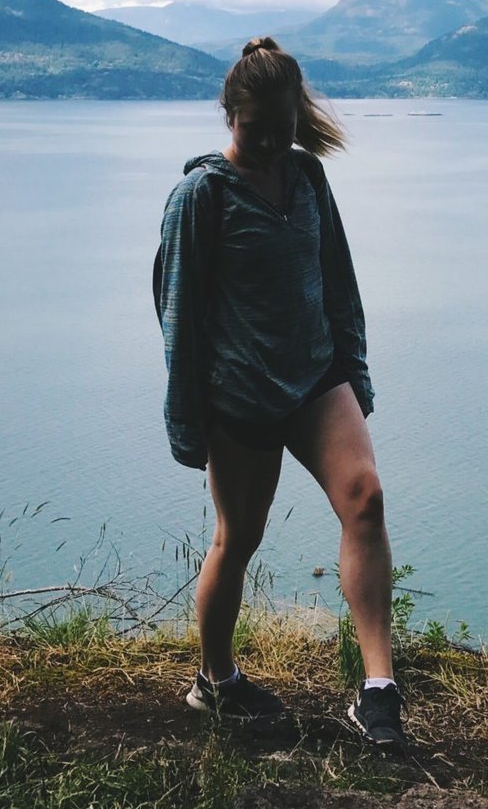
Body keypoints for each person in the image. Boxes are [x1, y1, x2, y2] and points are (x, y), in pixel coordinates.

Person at [154, 37, 405, 748]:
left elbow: (339, 281)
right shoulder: (200, 196)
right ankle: (216, 679)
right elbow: (179, 316)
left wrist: (354, 376)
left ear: (299, 115)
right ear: (229, 115)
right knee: (239, 539)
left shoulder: (307, 177)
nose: (268, 141)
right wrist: (187, 424)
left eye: (281, 126)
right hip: (240, 393)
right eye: (253, 128)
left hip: (317, 378)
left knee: (366, 499)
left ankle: (378, 690)